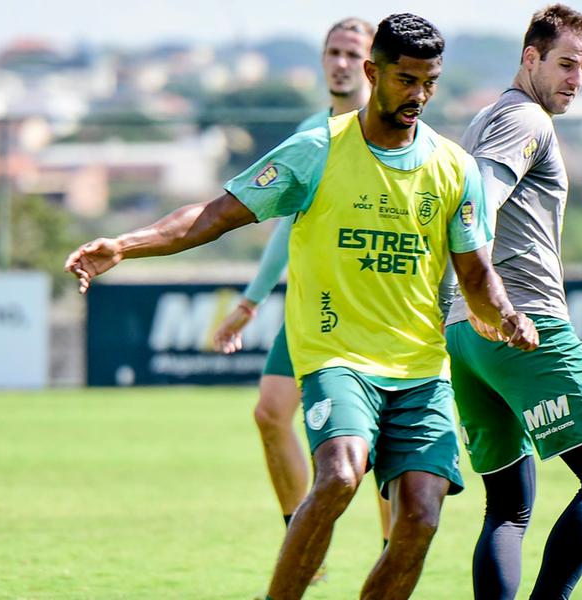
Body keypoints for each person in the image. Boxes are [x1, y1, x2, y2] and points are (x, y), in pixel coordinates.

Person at [65, 14, 539, 600]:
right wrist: (125, 245)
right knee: (340, 474)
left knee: (419, 517)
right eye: (404, 79)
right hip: (338, 357)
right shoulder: (317, 150)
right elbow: (214, 215)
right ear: (372, 72)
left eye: (429, 82)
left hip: (420, 369)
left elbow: (476, 276)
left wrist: (508, 314)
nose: (417, 95)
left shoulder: (453, 168)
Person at [441, 5, 582, 599]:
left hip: (466, 333)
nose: (576, 78)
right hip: (519, 321)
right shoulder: (527, 120)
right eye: (565, 64)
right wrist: (499, 308)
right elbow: (478, 211)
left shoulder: (485, 118)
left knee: (507, 507)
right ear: (531, 58)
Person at [209, 17, 393, 554]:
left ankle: (390, 555)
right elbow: (283, 228)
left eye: (349, 52)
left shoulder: (388, 130)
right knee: (269, 413)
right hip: (313, 305)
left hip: (376, 309)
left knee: (384, 445)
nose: (339, 62)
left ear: (371, 64)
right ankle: (303, 544)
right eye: (331, 51)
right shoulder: (313, 134)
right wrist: (250, 301)